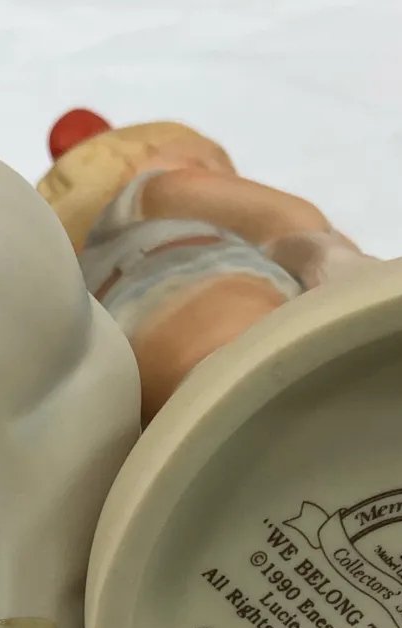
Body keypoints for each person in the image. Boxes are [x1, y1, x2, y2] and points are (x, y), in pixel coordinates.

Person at [37, 110, 375, 422]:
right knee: (237, 339)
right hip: (199, 288)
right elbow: (290, 220)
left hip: (121, 376)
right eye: (210, 163)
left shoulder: (74, 270)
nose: (227, 176)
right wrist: (349, 271)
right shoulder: (152, 192)